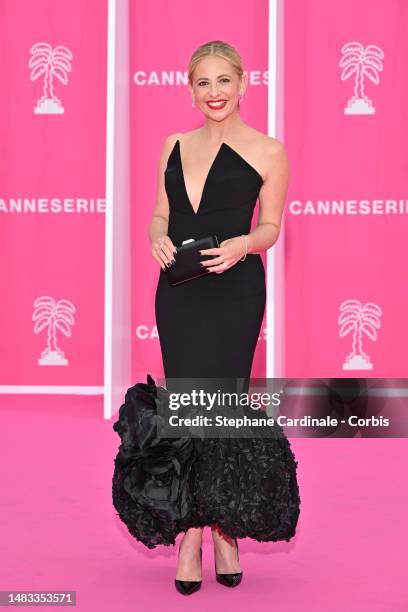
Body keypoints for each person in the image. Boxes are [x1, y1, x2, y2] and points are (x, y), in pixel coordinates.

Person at [149, 40, 300, 595]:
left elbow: (271, 228)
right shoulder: (173, 143)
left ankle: (225, 529)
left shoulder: (268, 150)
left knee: (225, 407)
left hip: (234, 290)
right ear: (191, 89)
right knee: (186, 405)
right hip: (179, 291)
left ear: (243, 83)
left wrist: (242, 245)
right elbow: (160, 213)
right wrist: (158, 239)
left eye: (223, 81)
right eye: (203, 83)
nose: (214, 92)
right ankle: (191, 532)